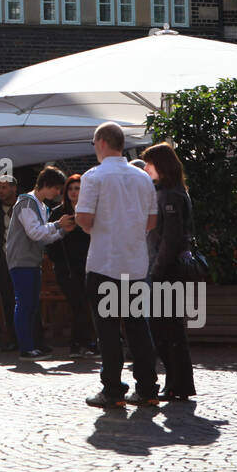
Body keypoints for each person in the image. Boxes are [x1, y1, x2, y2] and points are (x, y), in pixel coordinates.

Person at [76, 122, 160, 408]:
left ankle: (113, 390)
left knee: (108, 332)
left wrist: (100, 227)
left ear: (101, 143)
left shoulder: (93, 177)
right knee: (138, 328)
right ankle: (148, 389)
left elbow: (84, 220)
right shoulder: (143, 178)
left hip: (104, 264)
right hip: (136, 265)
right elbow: (151, 222)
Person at [140, 143, 197, 401]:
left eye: (149, 164)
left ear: (160, 165)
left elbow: (171, 238)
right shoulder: (170, 191)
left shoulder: (169, 195)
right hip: (166, 269)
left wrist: (157, 268)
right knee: (167, 329)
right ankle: (175, 382)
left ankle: (178, 383)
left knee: (167, 330)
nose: (146, 168)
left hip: (166, 271)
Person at [5, 165, 76, 360]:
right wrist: (57, 225)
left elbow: (42, 237)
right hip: (21, 260)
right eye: (56, 189)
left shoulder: (40, 206)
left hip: (31, 260)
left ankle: (32, 344)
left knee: (31, 305)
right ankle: (26, 348)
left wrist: (61, 232)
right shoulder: (27, 203)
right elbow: (35, 232)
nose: (58, 193)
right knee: (25, 304)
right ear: (47, 185)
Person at [0, 176, 40, 352]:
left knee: (29, 301)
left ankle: (35, 339)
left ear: (14, 189)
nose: (1, 191)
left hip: (23, 260)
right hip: (3, 261)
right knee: (8, 300)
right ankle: (13, 338)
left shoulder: (24, 206)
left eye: (5, 187)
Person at [48, 174, 98, 358]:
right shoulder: (58, 213)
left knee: (87, 303)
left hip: (89, 265)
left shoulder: (89, 212)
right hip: (67, 268)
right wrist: (58, 262)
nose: (74, 192)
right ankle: (82, 343)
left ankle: (80, 343)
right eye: (70, 188)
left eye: (77, 188)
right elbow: (50, 241)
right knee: (78, 304)